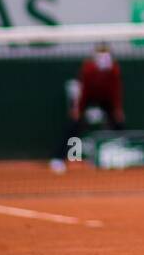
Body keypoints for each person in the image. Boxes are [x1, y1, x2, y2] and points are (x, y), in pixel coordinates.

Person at [52, 43, 125, 171]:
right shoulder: (88, 68)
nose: (103, 58)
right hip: (89, 98)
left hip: (106, 100)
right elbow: (83, 91)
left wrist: (117, 109)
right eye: (100, 54)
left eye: (106, 54)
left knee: (119, 124)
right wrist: (78, 110)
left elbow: (115, 91)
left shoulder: (114, 69)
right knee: (73, 126)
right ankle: (58, 158)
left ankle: (124, 154)